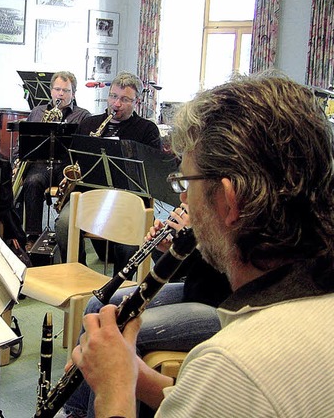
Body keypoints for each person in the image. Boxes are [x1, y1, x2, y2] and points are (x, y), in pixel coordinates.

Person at [71, 72, 334, 417]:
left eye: (186, 183)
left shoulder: (230, 367)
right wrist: (129, 375)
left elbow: (231, 389)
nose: (184, 198)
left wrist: (114, 394)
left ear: (229, 201)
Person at [60, 205, 231, 418]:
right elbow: (191, 270)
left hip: (226, 307)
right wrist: (171, 248)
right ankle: (74, 411)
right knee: (99, 307)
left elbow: (230, 270)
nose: (184, 198)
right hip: (197, 291)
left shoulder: (247, 206)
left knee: (117, 332)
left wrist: (201, 240)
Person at [54, 71, 161, 263]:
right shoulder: (89, 124)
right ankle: (77, 272)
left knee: (130, 243)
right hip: (88, 195)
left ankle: (121, 288)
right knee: (64, 225)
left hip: (129, 199)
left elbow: (153, 173)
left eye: (124, 99)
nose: (116, 104)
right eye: (113, 96)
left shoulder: (147, 130)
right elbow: (71, 159)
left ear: (136, 102)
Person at [19, 71, 91, 249]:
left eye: (66, 90)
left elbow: (85, 147)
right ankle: (33, 235)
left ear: (73, 93)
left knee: (74, 187)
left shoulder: (83, 116)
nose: (61, 94)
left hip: (67, 164)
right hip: (42, 163)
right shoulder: (37, 112)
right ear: (50, 91)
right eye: (57, 89)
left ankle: (64, 232)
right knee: (32, 182)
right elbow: (26, 141)